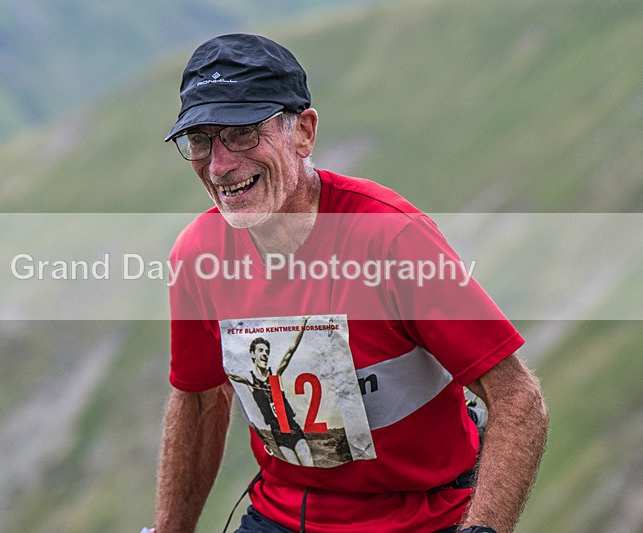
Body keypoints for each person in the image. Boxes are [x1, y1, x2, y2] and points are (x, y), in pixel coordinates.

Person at [153, 33, 548, 533]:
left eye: (242, 133)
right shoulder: (197, 255)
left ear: (304, 132)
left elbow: (517, 399)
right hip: (278, 516)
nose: (219, 163)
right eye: (201, 139)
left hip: (421, 522)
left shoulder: (391, 239)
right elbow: (199, 399)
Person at [226, 317, 314, 466]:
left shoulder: (275, 375)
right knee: (293, 470)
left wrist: (304, 324)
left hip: (293, 428)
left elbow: (290, 351)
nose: (265, 354)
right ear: (253, 354)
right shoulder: (250, 382)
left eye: (267, 351)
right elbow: (229, 368)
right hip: (277, 434)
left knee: (308, 462)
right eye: (261, 350)